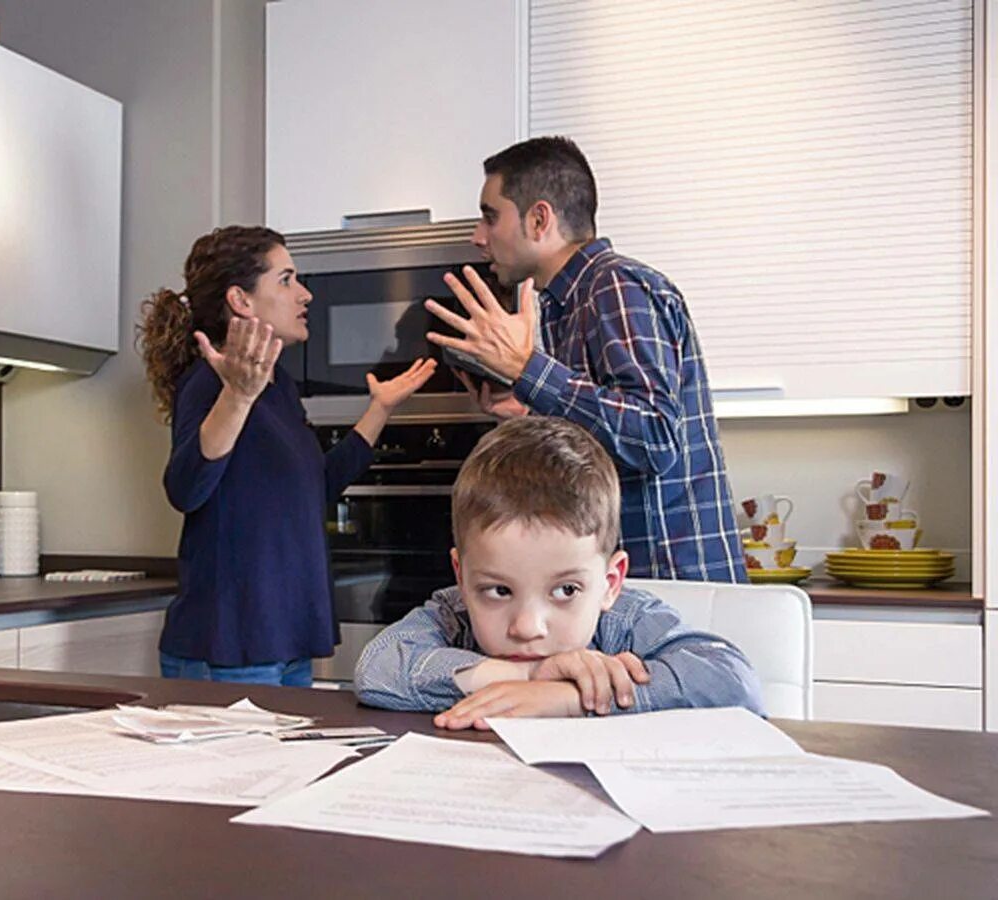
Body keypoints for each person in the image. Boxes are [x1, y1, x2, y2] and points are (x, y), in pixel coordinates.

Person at [424, 136, 745, 583]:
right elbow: (606, 444)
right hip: (627, 586)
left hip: (674, 586)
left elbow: (654, 437)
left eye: (489, 216)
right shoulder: (561, 305)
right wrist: (529, 413)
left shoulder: (614, 285)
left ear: (539, 219)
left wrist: (526, 370)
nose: (478, 236)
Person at [138, 225, 436, 687]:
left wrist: (380, 409)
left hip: (285, 643)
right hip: (231, 647)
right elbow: (185, 487)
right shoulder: (209, 382)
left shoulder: (279, 389)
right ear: (242, 300)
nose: (305, 294)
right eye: (286, 279)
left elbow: (315, 486)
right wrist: (237, 397)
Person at [354, 417, 764, 728]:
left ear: (610, 583)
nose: (528, 628)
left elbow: (734, 682)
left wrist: (570, 697)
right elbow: (377, 670)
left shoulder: (627, 619)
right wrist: (529, 674)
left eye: (566, 590)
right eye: (498, 590)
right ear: (461, 576)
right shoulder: (452, 612)